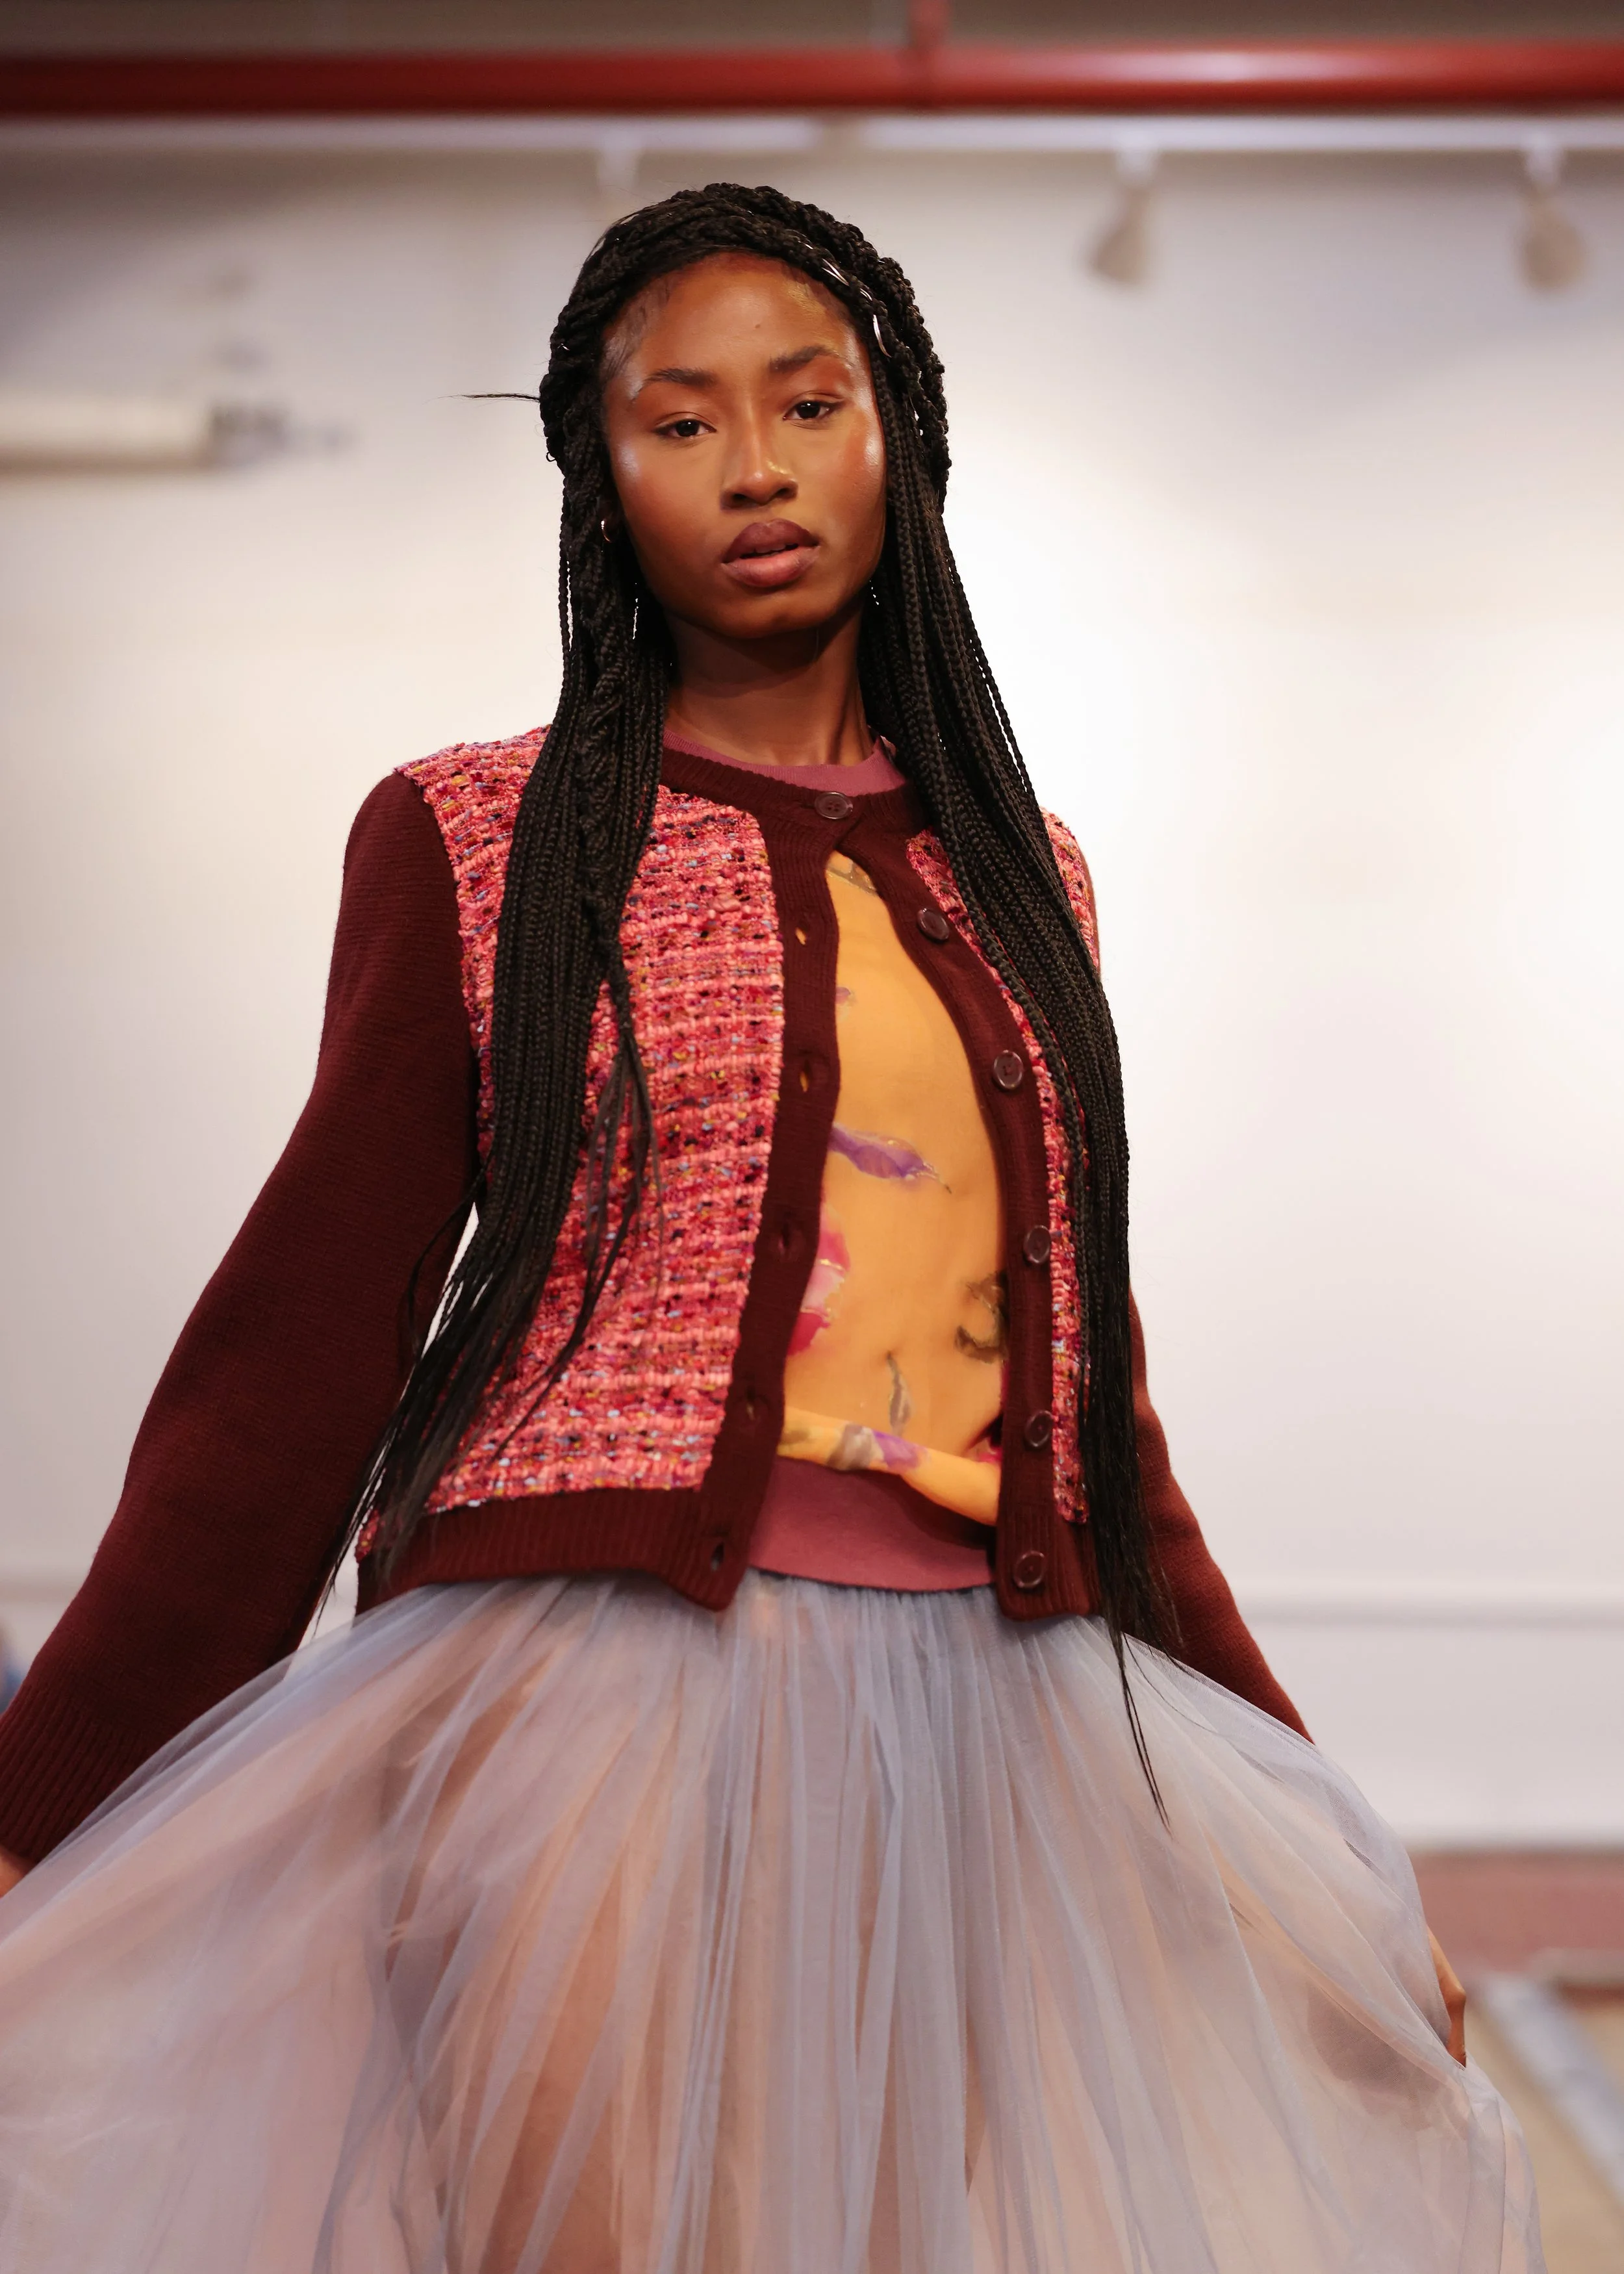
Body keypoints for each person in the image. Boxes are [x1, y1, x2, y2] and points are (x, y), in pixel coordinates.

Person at [0, 184, 1540, 2272]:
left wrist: (1314, 1843)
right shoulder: (483, 835)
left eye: (808, 404)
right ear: (599, 473)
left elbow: (1091, 1405)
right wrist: (43, 1800)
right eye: (680, 420)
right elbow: (301, 1341)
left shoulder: (1024, 877)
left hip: (974, 1728)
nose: (752, 466)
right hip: (579, 1693)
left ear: (897, 437)